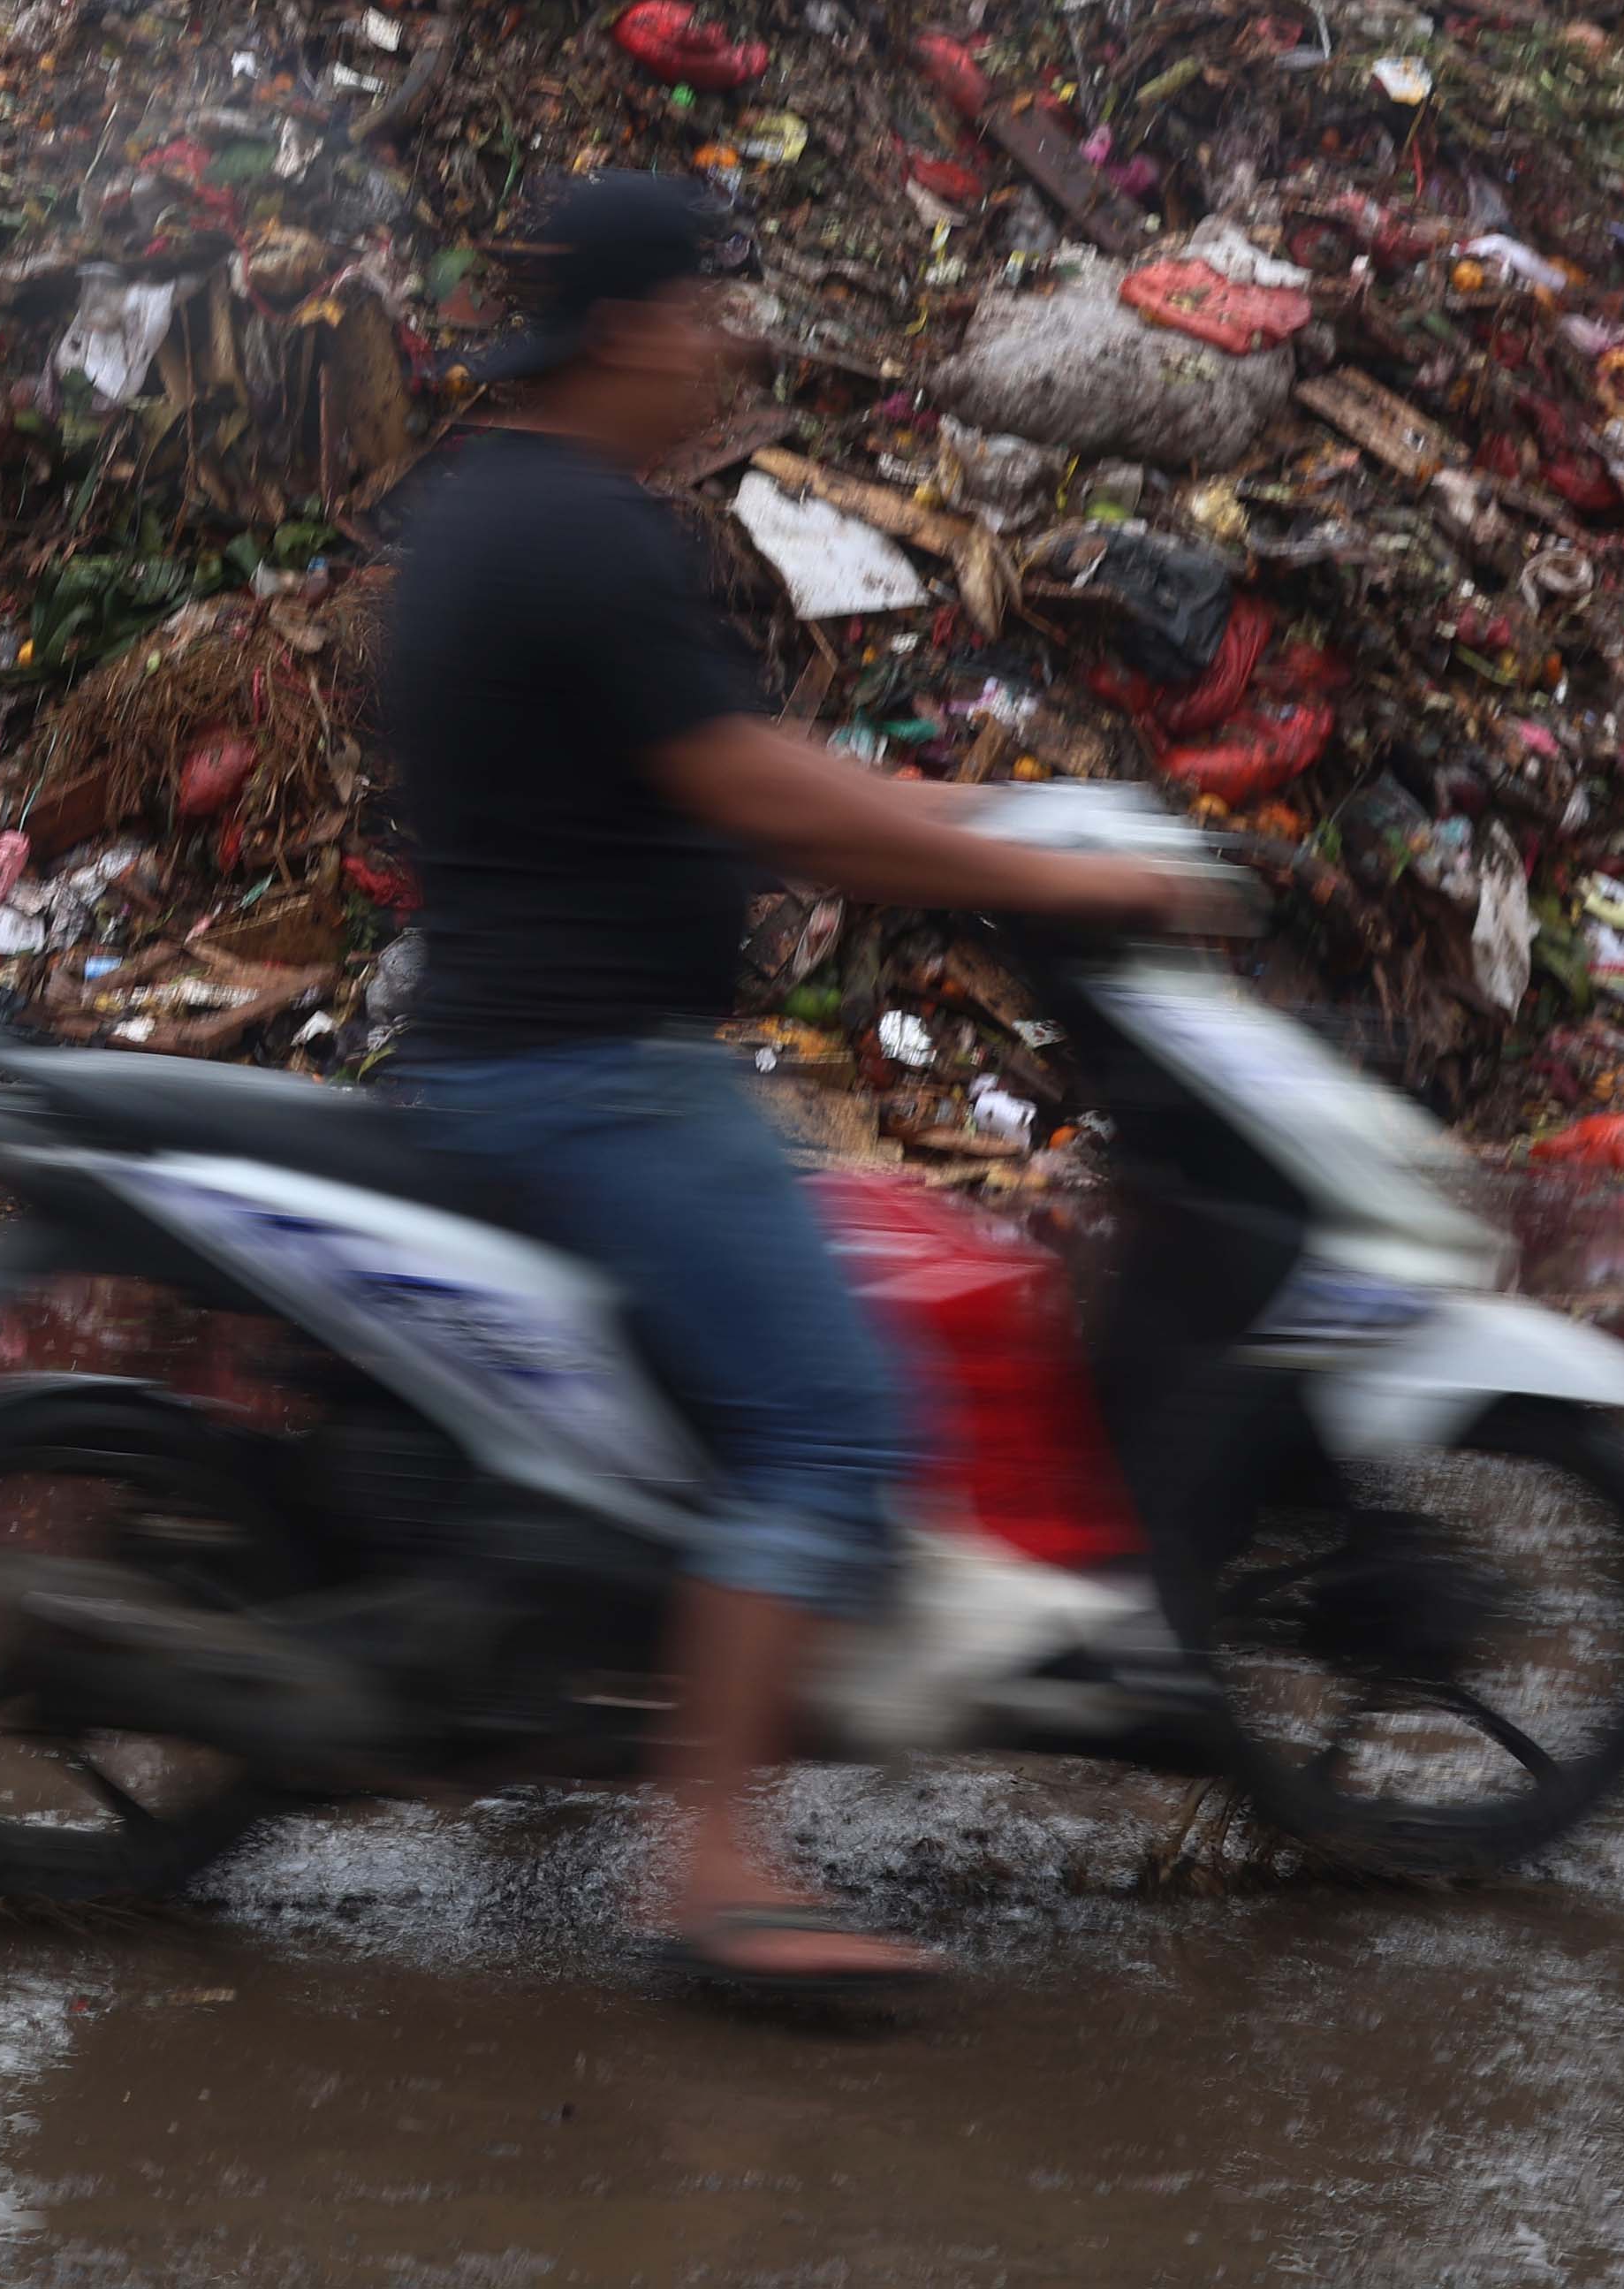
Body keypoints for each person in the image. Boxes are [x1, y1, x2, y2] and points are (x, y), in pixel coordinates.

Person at [377, 172, 1212, 1996]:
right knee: (838, 1419)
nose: (724, 345)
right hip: (589, 1077)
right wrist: (1039, 871)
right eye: (700, 310)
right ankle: (712, 1866)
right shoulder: (586, 533)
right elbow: (751, 789)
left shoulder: (486, 503)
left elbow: (738, 766)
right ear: (623, 331)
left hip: (510, 1054)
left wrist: (983, 809)